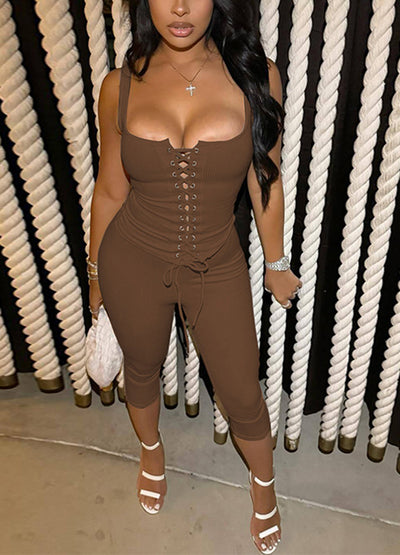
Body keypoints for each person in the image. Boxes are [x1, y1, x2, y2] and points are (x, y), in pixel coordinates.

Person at [87, 1, 302, 553]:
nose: (179, 7)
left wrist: (276, 263)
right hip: (132, 259)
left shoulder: (257, 76)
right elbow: (109, 189)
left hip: (215, 263)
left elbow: (266, 179)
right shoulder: (118, 86)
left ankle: (264, 486)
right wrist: (95, 273)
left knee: (242, 391)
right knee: (141, 368)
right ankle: (151, 452)